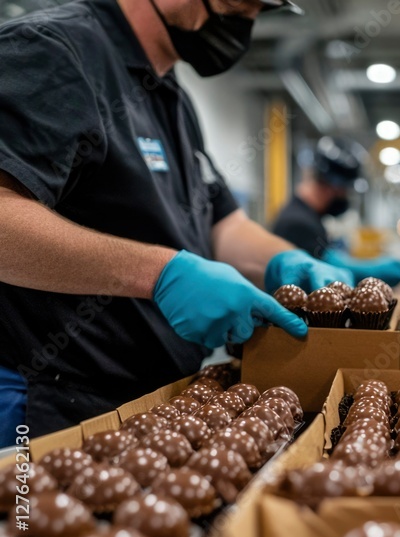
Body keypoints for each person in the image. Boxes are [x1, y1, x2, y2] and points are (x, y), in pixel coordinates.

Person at [0, 0, 355, 443]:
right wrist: (159, 274)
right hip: (47, 403)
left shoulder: (171, 96)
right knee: (33, 514)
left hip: (149, 401)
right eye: (239, 5)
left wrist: (285, 258)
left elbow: (222, 224)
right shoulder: (53, 53)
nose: (246, 23)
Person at [272, 137, 400, 285]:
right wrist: (380, 270)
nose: (345, 198)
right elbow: (331, 269)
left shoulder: (306, 216)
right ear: (332, 186)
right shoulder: (297, 224)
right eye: (345, 191)